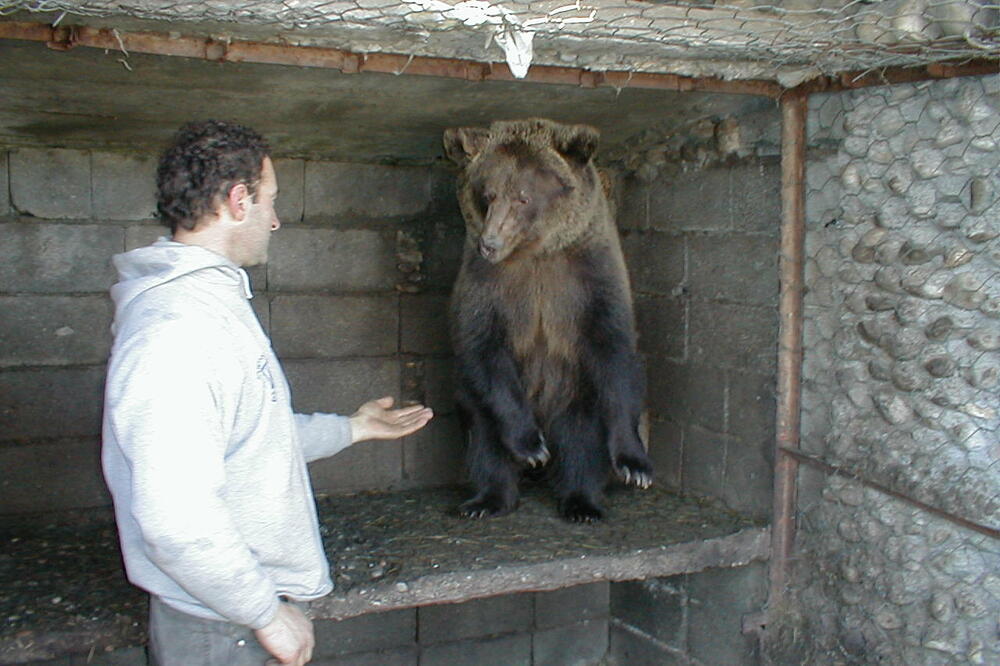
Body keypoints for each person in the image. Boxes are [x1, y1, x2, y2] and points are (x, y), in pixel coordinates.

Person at [101, 120, 433, 666]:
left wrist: (351, 428)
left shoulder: (209, 304)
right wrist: (264, 612)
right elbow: (175, 518)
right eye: (271, 201)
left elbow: (247, 438)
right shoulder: (176, 331)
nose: (275, 220)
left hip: (228, 612)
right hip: (218, 626)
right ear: (238, 201)